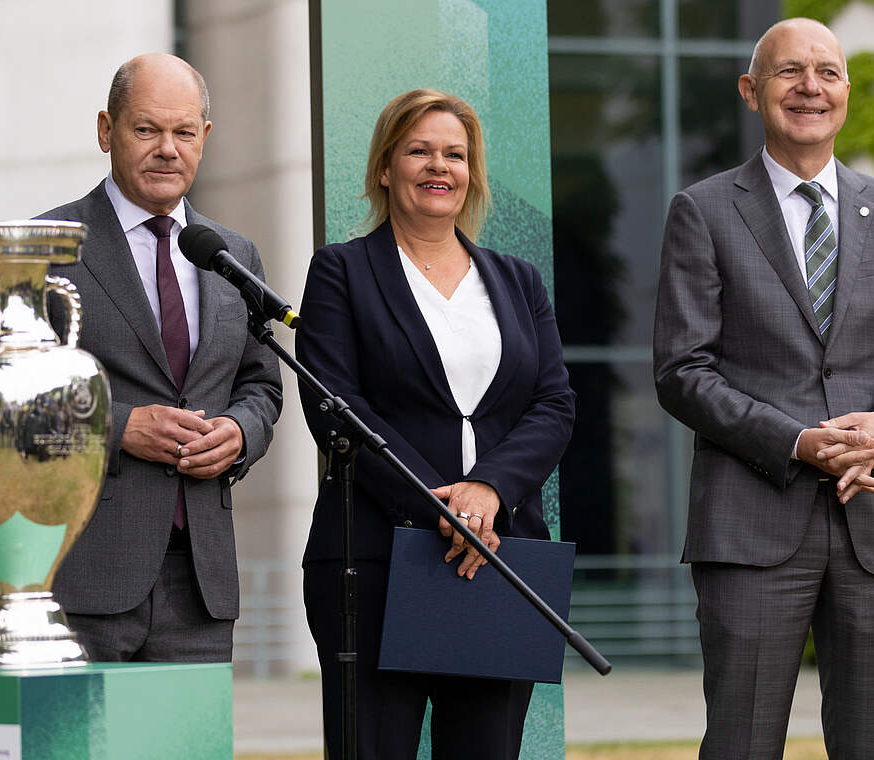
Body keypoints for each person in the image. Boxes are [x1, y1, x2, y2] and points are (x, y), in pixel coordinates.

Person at [652, 18, 874, 759]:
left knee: (871, 744)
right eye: (790, 72)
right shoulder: (704, 210)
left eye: (828, 71)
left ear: (847, 91)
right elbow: (682, 371)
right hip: (752, 525)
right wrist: (794, 441)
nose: (810, 87)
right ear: (752, 92)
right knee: (742, 744)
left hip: (872, 528)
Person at [296, 89, 576, 760]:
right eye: (418, 150)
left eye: (454, 153)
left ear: (472, 173)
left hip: (499, 557)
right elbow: (336, 406)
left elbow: (554, 403)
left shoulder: (518, 281)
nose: (437, 165)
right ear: (386, 168)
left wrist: (487, 492)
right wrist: (438, 505)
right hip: (374, 560)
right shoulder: (341, 271)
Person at [38, 53, 283, 662]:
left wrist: (239, 432)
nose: (166, 149)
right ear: (106, 130)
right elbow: (15, 402)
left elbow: (262, 386)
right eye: (146, 130)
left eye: (182, 132)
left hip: (200, 583)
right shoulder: (47, 248)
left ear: (205, 138)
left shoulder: (234, 254)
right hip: (81, 577)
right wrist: (119, 426)